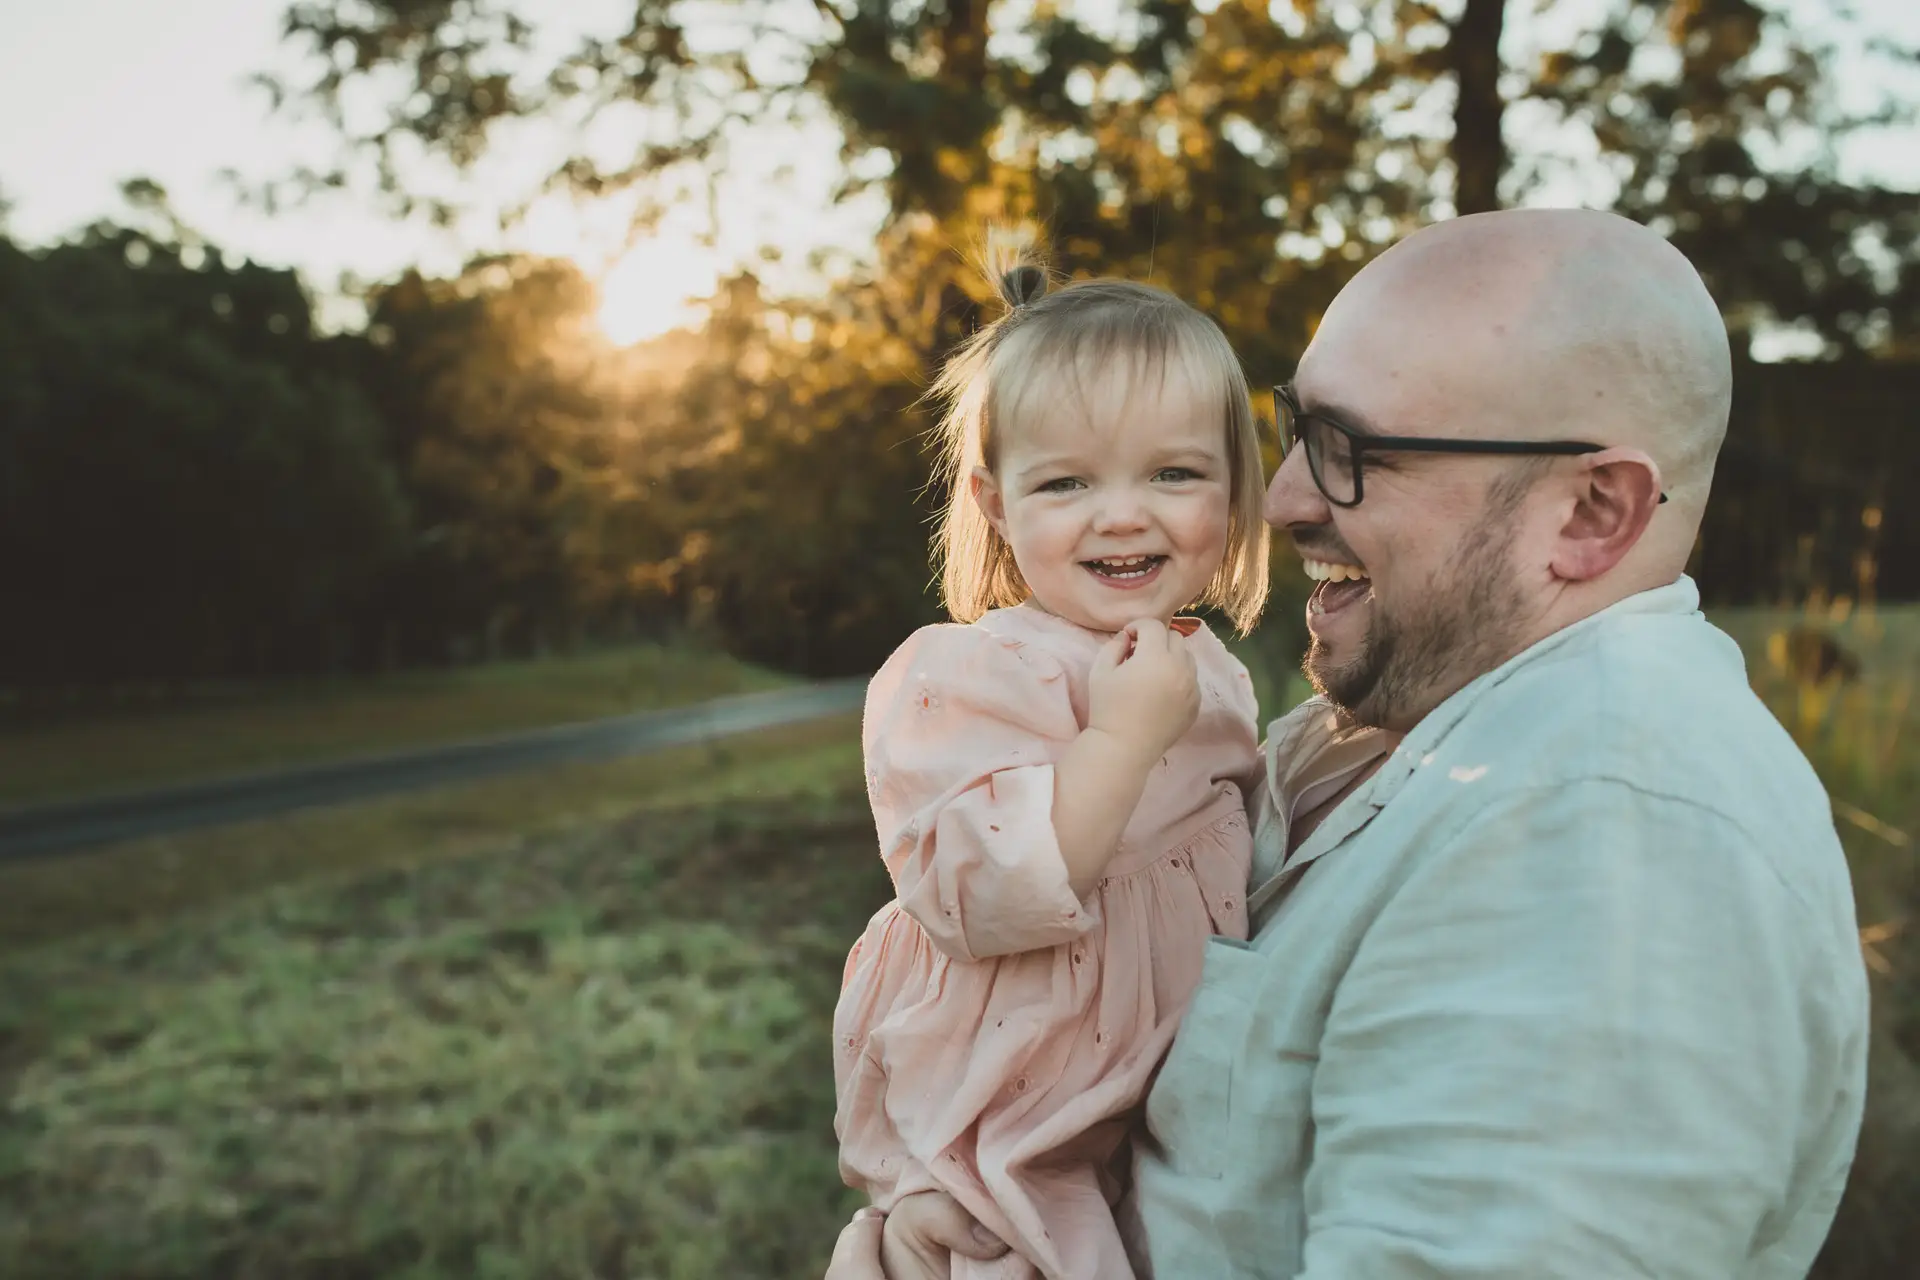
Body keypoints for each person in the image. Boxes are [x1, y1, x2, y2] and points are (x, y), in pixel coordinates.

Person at [828, 208, 1871, 1279]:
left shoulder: (1605, 836)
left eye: (1352, 452)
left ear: (1591, 511)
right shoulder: (1435, 735)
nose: (1276, 500)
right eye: (1292, 431)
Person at [832, 236, 1361, 1279]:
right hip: (1013, 1093)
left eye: (1173, 472)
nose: (1123, 512)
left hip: (1153, 1079)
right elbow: (984, 894)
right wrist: (1120, 740)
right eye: (1068, 481)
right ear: (995, 501)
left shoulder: (1207, 668)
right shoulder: (963, 678)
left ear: (1232, 491)